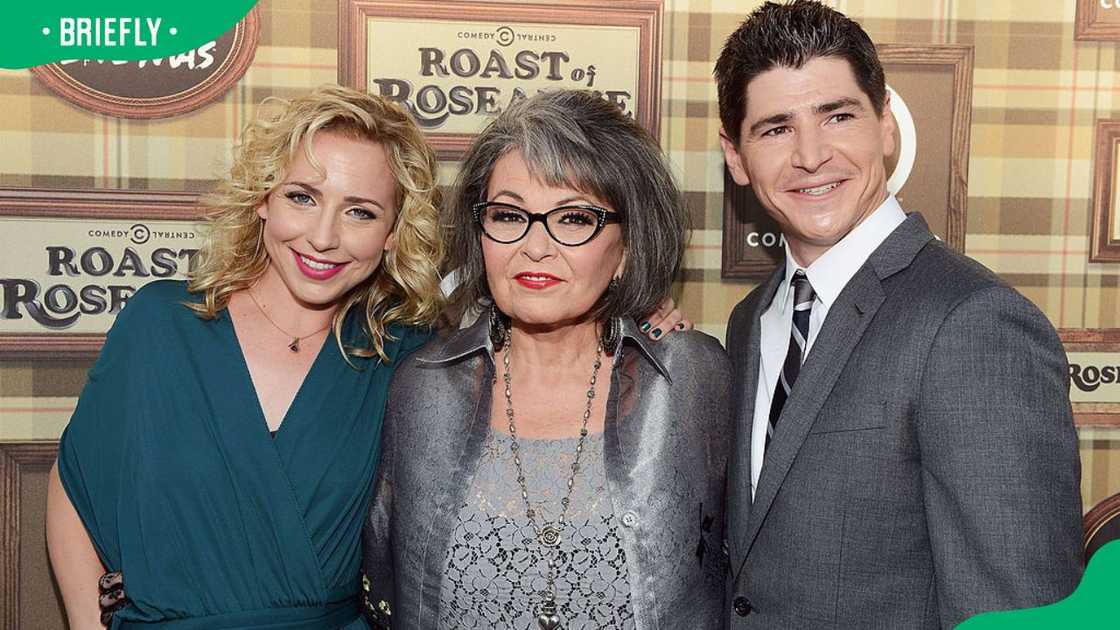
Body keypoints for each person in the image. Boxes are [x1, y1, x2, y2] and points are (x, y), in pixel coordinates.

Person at [716, 1, 1083, 627]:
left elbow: (1017, 610)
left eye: (837, 116)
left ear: (886, 124)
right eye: (776, 128)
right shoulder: (752, 319)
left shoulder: (974, 324)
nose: (811, 155)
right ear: (736, 157)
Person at [46, 85, 445, 629]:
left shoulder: (407, 359)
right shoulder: (160, 324)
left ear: (394, 234)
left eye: (360, 212)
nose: (323, 237)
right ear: (262, 198)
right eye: (302, 197)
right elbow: (74, 484)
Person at [361, 89, 730, 630]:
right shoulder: (423, 386)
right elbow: (385, 582)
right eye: (509, 216)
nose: (535, 247)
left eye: (575, 218)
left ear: (627, 247)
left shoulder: (690, 378)